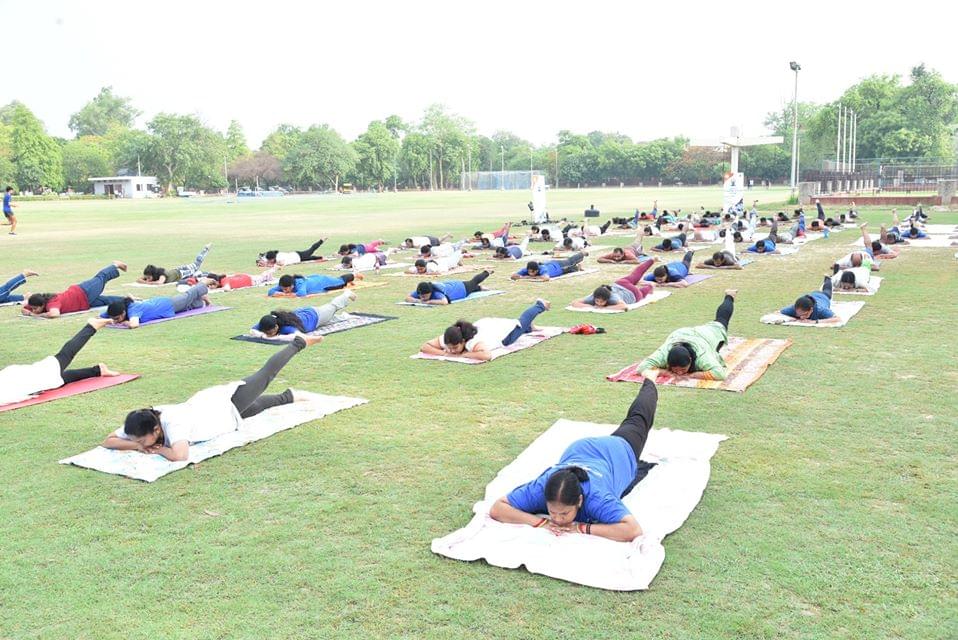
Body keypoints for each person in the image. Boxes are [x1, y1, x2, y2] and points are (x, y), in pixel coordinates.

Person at [101, 334, 324, 461]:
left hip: (222, 403)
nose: (136, 441)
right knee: (255, 407)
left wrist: (157, 449)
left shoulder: (172, 423)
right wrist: (139, 447)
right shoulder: (140, 423)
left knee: (265, 376)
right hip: (216, 415)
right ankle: (290, 396)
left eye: (141, 440)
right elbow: (108, 440)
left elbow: (180, 455)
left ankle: (298, 343)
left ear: (156, 430)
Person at [488, 378, 657, 541]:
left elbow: (632, 529)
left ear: (580, 501)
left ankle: (650, 381)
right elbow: (498, 508)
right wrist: (542, 523)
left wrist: (581, 528)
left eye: (564, 514)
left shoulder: (597, 497)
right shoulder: (541, 487)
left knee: (638, 420)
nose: (558, 520)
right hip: (580, 449)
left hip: (617, 451)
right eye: (552, 512)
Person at [0, 317, 119, 406]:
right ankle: (98, 370)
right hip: (16, 378)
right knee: (58, 379)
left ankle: (91, 326)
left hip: (20, 380)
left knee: (63, 357)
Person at [636, 291, 737, 381]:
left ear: (690, 360)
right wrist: (668, 373)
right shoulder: (663, 354)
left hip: (703, 336)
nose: (680, 373)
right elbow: (641, 368)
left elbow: (720, 374)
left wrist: (693, 375)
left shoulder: (702, 356)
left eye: (683, 369)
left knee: (721, 321)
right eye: (675, 370)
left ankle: (729, 295)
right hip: (679, 334)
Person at [419, 299, 551, 361]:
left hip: (504, 334)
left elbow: (486, 355)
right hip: (487, 326)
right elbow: (425, 347)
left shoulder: (473, 343)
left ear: (463, 341)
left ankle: (540, 305)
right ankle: (529, 328)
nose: (452, 350)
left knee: (521, 322)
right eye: (450, 347)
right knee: (524, 327)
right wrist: (445, 354)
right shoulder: (450, 336)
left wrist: (462, 355)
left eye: (455, 347)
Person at [22, 261, 128, 318]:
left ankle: (115, 265)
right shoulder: (38, 303)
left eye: (35, 308)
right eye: (33, 308)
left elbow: (54, 314)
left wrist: (37, 315)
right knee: (106, 300)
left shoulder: (51, 303)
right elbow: (24, 309)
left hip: (83, 292)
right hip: (84, 302)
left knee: (100, 278)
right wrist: (29, 312)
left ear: (42, 305)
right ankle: (127, 299)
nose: (33, 310)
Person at [253, 290, 356, 338]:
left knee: (333, 306)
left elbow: (298, 336)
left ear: (276, 326)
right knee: (329, 321)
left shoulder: (286, 328)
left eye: (271, 332)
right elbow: (252, 330)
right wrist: (263, 335)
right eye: (267, 332)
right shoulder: (266, 323)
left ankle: (346, 294)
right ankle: (345, 316)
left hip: (316, 315)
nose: (269, 335)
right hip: (304, 315)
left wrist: (274, 337)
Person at [104, 284, 211, 328]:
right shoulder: (117, 309)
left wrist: (124, 322)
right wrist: (108, 320)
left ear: (123, 312)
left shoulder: (133, 309)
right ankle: (202, 299)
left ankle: (204, 283)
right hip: (161, 307)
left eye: (117, 318)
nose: (116, 321)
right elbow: (99, 317)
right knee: (192, 305)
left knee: (188, 296)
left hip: (166, 304)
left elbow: (134, 325)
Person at [571, 260, 655, 310]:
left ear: (607, 299)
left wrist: (604, 308)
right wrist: (591, 306)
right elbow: (574, 303)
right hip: (620, 283)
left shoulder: (613, 297)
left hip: (632, 292)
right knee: (636, 277)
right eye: (597, 301)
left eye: (602, 301)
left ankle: (650, 285)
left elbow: (624, 307)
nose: (599, 303)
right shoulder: (593, 296)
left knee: (642, 290)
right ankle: (651, 263)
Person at [137, 244, 212, 284]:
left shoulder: (161, 274)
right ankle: (213, 275)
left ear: (153, 274)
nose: (147, 279)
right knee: (197, 274)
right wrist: (145, 280)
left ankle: (205, 249)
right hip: (179, 272)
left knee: (196, 265)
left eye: (148, 278)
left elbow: (160, 283)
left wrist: (148, 283)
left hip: (181, 272)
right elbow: (138, 280)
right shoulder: (150, 276)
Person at [406, 270, 491, 304]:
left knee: (473, 282)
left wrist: (429, 301)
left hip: (461, 288)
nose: (422, 297)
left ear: (430, 292)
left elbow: (444, 302)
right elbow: (408, 297)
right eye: (420, 295)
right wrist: (418, 300)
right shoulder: (421, 291)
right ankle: (479, 288)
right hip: (451, 285)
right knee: (474, 287)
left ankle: (486, 272)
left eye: (424, 296)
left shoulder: (436, 293)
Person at [510, 253, 584, 281]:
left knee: (570, 262)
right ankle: (578, 267)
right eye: (529, 271)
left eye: (532, 272)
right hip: (556, 268)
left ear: (536, 270)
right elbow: (513, 276)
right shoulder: (526, 270)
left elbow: (546, 278)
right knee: (572, 269)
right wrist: (521, 277)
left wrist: (528, 277)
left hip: (558, 266)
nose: (530, 273)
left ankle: (582, 254)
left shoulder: (542, 269)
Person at [268, 273, 355, 297]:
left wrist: (285, 294)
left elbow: (302, 293)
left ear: (292, 286)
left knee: (341, 282)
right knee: (341, 281)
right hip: (313, 278)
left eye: (286, 289)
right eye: (282, 289)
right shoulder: (284, 284)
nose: (284, 291)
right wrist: (278, 293)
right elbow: (270, 291)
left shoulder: (300, 283)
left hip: (323, 283)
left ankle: (354, 275)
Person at [256, 239, 327, 267]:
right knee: (310, 259)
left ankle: (321, 240)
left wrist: (266, 265)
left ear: (273, 258)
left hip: (298, 256)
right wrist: (262, 262)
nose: (268, 261)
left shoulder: (279, 257)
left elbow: (280, 264)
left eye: (269, 260)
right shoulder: (273, 255)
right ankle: (320, 257)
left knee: (311, 250)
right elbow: (262, 259)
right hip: (297, 257)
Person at [187, 269, 277, 291]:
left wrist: (217, 289)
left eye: (211, 285)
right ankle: (271, 273)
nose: (210, 287)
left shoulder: (224, 281)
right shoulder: (223, 279)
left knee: (263, 277)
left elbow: (226, 289)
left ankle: (274, 269)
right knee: (262, 277)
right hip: (243, 277)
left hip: (249, 280)